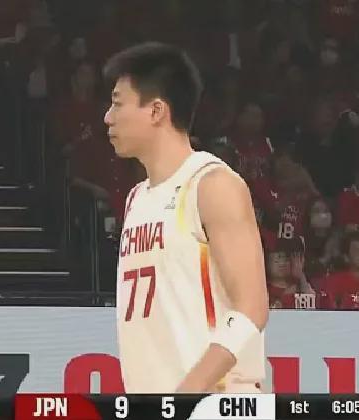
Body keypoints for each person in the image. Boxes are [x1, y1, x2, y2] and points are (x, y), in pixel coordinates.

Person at [104, 42, 268, 393]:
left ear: (156, 111)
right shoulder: (136, 199)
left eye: (117, 103)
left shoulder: (211, 184)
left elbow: (251, 309)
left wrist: (184, 394)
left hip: (217, 402)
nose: (108, 117)